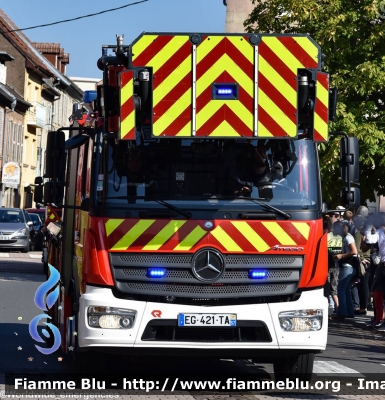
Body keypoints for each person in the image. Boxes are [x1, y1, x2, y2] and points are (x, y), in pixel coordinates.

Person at [331, 221, 358, 321]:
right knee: (346, 290)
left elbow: (354, 251)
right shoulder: (347, 237)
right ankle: (349, 312)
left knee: (340, 289)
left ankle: (341, 312)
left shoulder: (348, 238)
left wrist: (341, 255)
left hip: (348, 266)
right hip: (350, 266)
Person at [354, 215, 371, 315]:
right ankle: (364, 306)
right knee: (366, 284)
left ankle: (363, 308)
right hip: (369, 260)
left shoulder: (358, 233)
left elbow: (356, 248)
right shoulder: (367, 232)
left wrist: (361, 258)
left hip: (363, 262)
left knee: (362, 285)